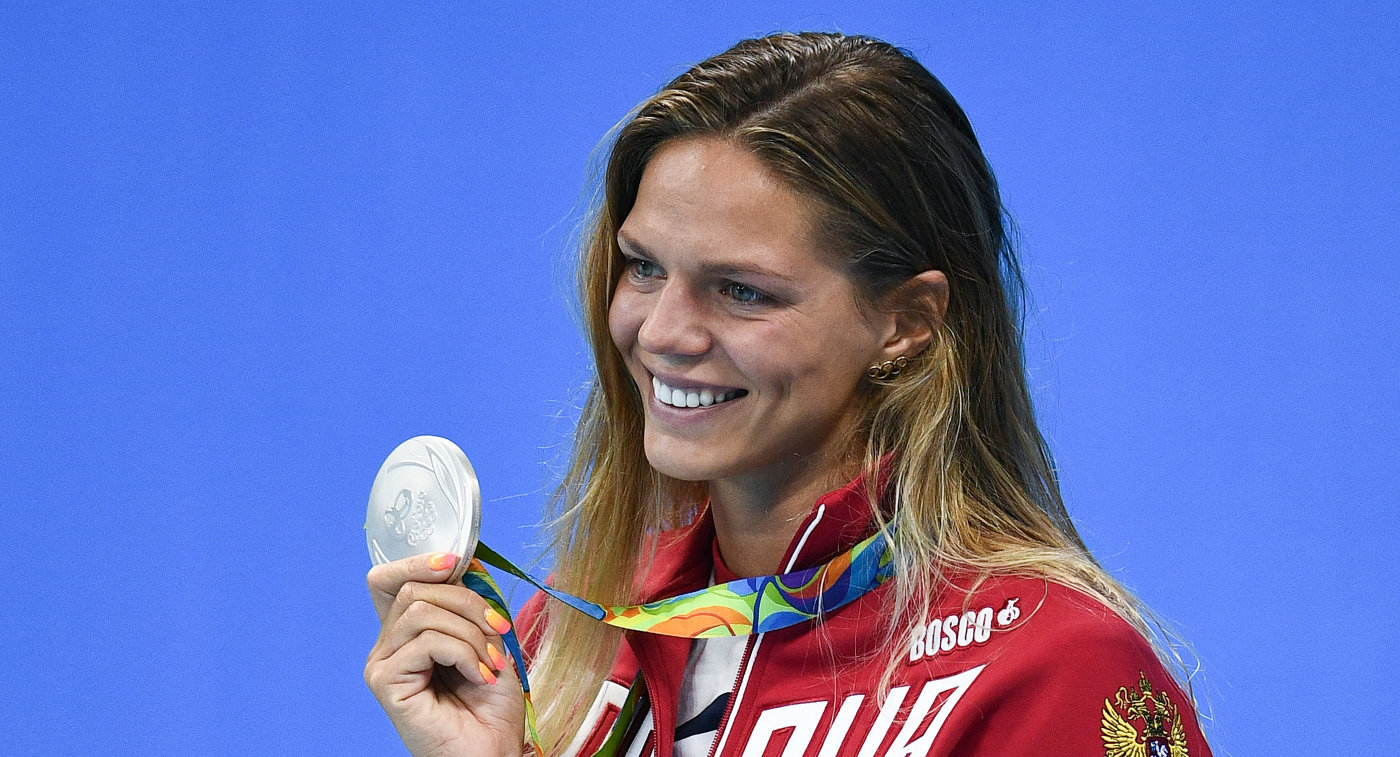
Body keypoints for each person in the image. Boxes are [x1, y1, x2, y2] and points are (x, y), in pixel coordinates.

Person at [365, 32, 1213, 757]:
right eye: (645, 267)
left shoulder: (1052, 666)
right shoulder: (571, 636)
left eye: (742, 290)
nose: (663, 331)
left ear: (906, 320)